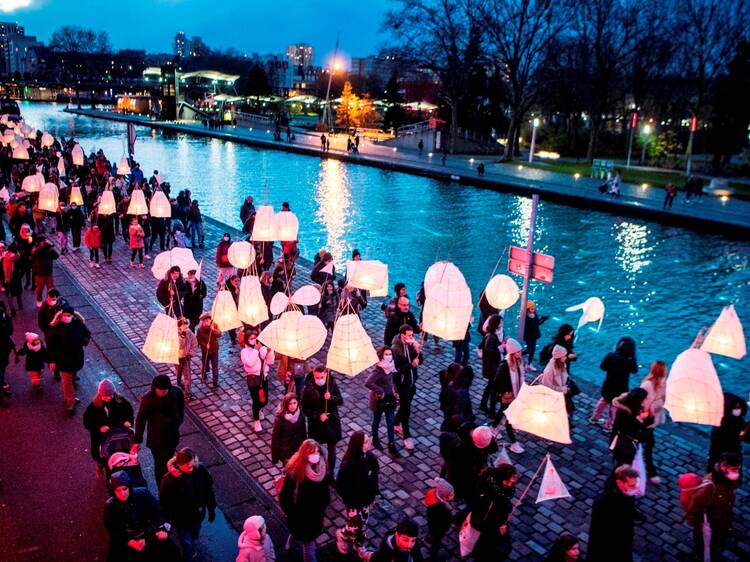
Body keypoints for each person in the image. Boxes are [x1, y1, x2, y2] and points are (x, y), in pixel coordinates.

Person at [104, 471, 180, 562]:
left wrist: (161, 528)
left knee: (172, 553)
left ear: (129, 487)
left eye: (125, 489)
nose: (122, 493)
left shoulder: (142, 494)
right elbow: (113, 529)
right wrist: (130, 542)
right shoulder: (110, 507)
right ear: (113, 491)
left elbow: (156, 512)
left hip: (149, 535)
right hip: (128, 539)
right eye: (118, 490)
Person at [160, 447, 217, 561]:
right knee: (186, 544)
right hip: (181, 520)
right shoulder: (169, 480)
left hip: (198, 515)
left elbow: (208, 491)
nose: (191, 469)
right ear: (179, 465)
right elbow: (164, 503)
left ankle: (192, 547)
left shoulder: (201, 470)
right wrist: (167, 521)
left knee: (195, 534)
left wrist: (211, 508)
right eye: (187, 467)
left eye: (192, 465)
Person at [279, 439, 331, 562]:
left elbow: (325, 490)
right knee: (309, 547)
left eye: (318, 452)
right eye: (313, 452)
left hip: (315, 516)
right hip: (300, 516)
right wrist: (292, 512)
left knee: (299, 534)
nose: (316, 455)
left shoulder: (321, 468)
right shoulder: (295, 473)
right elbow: (285, 497)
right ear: (305, 454)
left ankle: (290, 542)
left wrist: (324, 503)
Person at [686, 452, 742, 561]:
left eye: (738, 469)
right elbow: (695, 505)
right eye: (734, 469)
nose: (737, 472)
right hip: (709, 524)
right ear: (723, 467)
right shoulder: (710, 486)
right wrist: (696, 523)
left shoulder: (728, 480)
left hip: (721, 520)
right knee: (704, 544)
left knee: (715, 543)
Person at [132, 374, 185, 484]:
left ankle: (169, 481)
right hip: (157, 440)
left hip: (172, 436)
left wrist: (178, 421)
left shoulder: (176, 392)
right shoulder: (148, 399)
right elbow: (141, 419)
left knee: (169, 459)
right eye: (160, 390)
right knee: (160, 465)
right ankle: (161, 485)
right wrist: (137, 440)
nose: (162, 393)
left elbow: (181, 407)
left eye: (164, 390)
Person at [335, 431, 380, 558]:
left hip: (366, 500)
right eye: (365, 442)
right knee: (356, 525)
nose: (369, 443)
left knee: (363, 525)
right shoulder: (348, 465)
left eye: (368, 440)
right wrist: (351, 499)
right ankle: (342, 534)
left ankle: (358, 545)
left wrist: (374, 492)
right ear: (358, 445)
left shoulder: (370, 458)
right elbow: (340, 486)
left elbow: (375, 474)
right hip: (354, 502)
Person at [587, 464, 640, 562]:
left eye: (635, 484)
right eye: (632, 485)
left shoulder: (627, 492)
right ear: (619, 482)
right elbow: (599, 533)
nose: (635, 488)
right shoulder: (602, 503)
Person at [83, 378, 134, 473]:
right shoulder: (94, 406)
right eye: (105, 396)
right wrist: (99, 428)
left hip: (118, 435)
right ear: (100, 394)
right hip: (101, 438)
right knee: (102, 457)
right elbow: (87, 421)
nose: (108, 398)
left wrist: (128, 421)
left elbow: (129, 413)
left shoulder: (121, 401)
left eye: (110, 395)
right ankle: (100, 466)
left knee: (118, 455)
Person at [47, 305, 90, 414]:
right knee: (67, 382)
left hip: (76, 358)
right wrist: (52, 360)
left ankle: (71, 397)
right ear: (61, 315)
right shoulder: (56, 328)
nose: (67, 317)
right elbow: (51, 346)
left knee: (70, 379)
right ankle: (70, 402)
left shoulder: (78, 325)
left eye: (69, 315)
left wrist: (83, 342)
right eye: (65, 315)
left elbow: (87, 334)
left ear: (73, 316)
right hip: (63, 360)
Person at [301, 365, 343, 477]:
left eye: (321, 377)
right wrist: (318, 416)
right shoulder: (308, 388)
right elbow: (304, 408)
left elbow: (340, 401)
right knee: (316, 450)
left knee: (332, 450)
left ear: (326, 375)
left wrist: (331, 398)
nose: (319, 380)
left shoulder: (332, 384)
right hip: (316, 425)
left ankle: (331, 473)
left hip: (331, 423)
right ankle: (317, 470)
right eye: (317, 377)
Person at [469, 464, 517, 561]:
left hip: (498, 522)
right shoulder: (489, 496)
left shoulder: (503, 490)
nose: (512, 483)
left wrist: (508, 509)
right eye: (509, 481)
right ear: (501, 479)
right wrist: (498, 530)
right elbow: (483, 521)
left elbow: (504, 504)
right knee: (487, 549)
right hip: (489, 527)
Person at [590, 337, 638, 430]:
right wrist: (633, 357)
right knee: (614, 406)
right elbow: (635, 370)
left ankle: (594, 418)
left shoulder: (610, 356)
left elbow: (602, 367)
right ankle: (609, 426)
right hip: (621, 387)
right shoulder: (629, 361)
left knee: (603, 400)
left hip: (608, 384)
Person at [491, 338, 525, 453]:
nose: (520, 353)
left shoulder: (518, 362)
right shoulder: (504, 366)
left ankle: (493, 427)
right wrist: (504, 392)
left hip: (514, 394)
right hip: (507, 395)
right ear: (512, 353)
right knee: (509, 418)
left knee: (503, 411)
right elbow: (496, 382)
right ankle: (513, 442)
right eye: (518, 352)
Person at [391, 325, 423, 450]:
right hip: (402, 384)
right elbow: (397, 370)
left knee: (406, 406)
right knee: (406, 409)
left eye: (412, 335)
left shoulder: (411, 344)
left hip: (411, 382)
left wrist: (417, 350)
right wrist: (411, 365)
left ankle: (395, 422)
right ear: (402, 335)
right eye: (409, 335)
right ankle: (407, 436)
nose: (412, 337)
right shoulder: (396, 349)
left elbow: (421, 360)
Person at [365, 347, 401, 457]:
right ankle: (375, 438)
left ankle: (391, 444)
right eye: (386, 354)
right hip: (379, 401)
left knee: (390, 421)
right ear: (382, 355)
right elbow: (368, 383)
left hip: (390, 400)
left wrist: (395, 390)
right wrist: (380, 390)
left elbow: (391, 381)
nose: (388, 356)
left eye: (390, 354)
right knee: (376, 420)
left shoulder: (391, 367)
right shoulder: (378, 371)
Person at [241, 329, 275, 432]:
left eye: (255, 337)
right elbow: (249, 364)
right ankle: (256, 421)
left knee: (264, 400)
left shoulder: (262, 349)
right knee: (256, 400)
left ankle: (259, 409)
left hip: (263, 377)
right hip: (253, 378)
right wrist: (255, 351)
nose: (254, 340)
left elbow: (270, 362)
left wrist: (270, 352)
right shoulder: (244, 352)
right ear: (247, 340)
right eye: (251, 338)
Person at [640, 361, 667, 483]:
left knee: (646, 442)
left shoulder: (663, 384)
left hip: (652, 418)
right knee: (649, 443)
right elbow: (641, 401)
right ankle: (651, 471)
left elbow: (664, 399)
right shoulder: (647, 385)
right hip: (646, 418)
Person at [707, 393, 750, 472]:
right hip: (722, 453)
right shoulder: (721, 424)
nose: (738, 410)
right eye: (736, 408)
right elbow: (738, 435)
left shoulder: (738, 420)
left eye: (739, 407)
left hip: (733, 452)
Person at [610, 388, 651, 467]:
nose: (646, 400)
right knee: (623, 467)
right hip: (625, 443)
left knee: (621, 466)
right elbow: (630, 428)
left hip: (622, 441)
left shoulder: (627, 407)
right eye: (645, 398)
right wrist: (640, 420)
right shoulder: (629, 413)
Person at [271, 392, 307, 467]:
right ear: (286, 404)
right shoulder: (280, 419)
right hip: (286, 452)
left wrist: (305, 448)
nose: (292, 406)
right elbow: (275, 438)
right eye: (290, 403)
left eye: (294, 403)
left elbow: (303, 433)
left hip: (298, 449)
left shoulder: (300, 414)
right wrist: (275, 458)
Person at [479, 314, 504, 416]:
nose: (502, 323)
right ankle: (491, 410)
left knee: (490, 387)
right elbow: (490, 352)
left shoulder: (492, 335)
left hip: (492, 367)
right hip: (492, 368)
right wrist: (500, 349)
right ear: (497, 324)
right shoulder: (491, 337)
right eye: (501, 322)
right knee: (494, 389)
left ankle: (483, 404)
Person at [424, 478, 454, 561]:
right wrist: (445, 528)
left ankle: (430, 537)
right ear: (444, 498)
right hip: (438, 530)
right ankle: (433, 555)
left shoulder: (440, 503)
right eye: (451, 494)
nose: (454, 495)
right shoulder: (440, 509)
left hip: (435, 528)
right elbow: (437, 521)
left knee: (433, 537)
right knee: (436, 542)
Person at [30, 236, 59, 306]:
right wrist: (42, 247)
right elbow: (34, 254)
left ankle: (49, 301)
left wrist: (51, 248)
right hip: (39, 273)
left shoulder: (48, 249)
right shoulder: (35, 249)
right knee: (40, 289)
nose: (45, 242)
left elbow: (56, 256)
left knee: (51, 289)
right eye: (44, 241)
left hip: (49, 272)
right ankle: (39, 300)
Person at [176, 317, 199, 400]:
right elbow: (180, 346)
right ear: (179, 326)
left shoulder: (189, 332)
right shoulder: (176, 333)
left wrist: (191, 353)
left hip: (186, 357)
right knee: (178, 374)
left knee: (187, 376)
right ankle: (179, 384)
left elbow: (194, 343)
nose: (186, 327)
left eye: (186, 325)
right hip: (178, 357)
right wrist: (182, 336)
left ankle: (188, 393)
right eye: (184, 325)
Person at [196, 312, 221, 387]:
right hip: (205, 351)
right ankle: (204, 374)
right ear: (203, 322)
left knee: (215, 366)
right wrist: (204, 345)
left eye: (209, 320)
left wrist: (213, 330)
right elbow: (198, 340)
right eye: (206, 321)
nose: (208, 322)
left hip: (214, 350)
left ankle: (215, 382)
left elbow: (219, 334)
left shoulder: (214, 325)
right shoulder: (199, 330)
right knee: (205, 364)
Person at [522, 300, 547, 371]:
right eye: (531, 309)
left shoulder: (535, 315)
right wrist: (540, 321)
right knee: (528, 349)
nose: (533, 310)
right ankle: (519, 355)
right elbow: (530, 326)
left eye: (534, 308)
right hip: (528, 335)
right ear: (528, 309)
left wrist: (543, 319)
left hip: (534, 334)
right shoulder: (525, 317)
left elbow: (537, 323)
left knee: (533, 350)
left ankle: (529, 364)